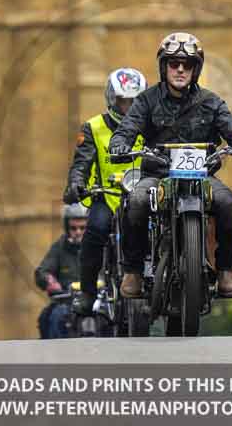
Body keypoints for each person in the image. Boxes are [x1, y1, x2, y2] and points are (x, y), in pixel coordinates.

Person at [109, 32, 232, 299]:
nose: (180, 69)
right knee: (134, 202)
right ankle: (133, 271)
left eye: (188, 64)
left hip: (202, 178)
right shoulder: (146, 100)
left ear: (196, 69)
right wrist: (120, 144)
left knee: (230, 205)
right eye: (174, 63)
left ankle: (226, 270)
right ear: (163, 66)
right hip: (157, 176)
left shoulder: (211, 102)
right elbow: (127, 129)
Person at [63, 67, 147, 315]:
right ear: (112, 100)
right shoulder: (93, 127)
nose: (129, 107)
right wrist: (76, 183)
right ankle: (88, 293)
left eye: (134, 102)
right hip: (107, 196)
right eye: (124, 101)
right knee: (95, 231)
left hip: (145, 195)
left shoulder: (152, 125)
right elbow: (81, 163)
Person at [35, 203, 88, 339]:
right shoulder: (59, 248)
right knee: (50, 318)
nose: (78, 232)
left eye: (83, 228)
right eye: (73, 228)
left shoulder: (101, 247)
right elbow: (42, 271)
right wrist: (49, 281)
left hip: (98, 302)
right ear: (66, 228)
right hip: (67, 302)